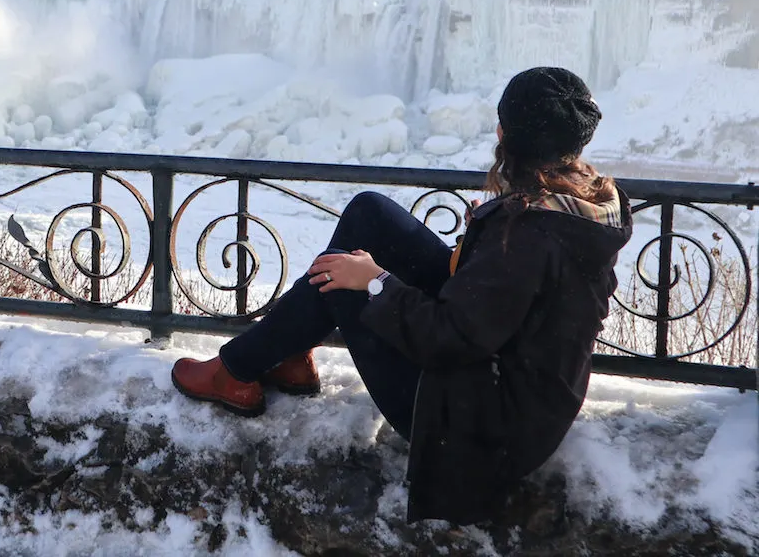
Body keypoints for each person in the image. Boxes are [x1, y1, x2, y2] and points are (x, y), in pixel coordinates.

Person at [171, 66, 632, 524]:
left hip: (478, 427)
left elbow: (450, 337)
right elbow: (510, 301)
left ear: (506, 134)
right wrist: (480, 245)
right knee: (370, 214)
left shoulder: (528, 234)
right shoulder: (581, 204)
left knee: (342, 275)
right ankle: (286, 354)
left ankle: (238, 369)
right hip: (510, 386)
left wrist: (375, 283)